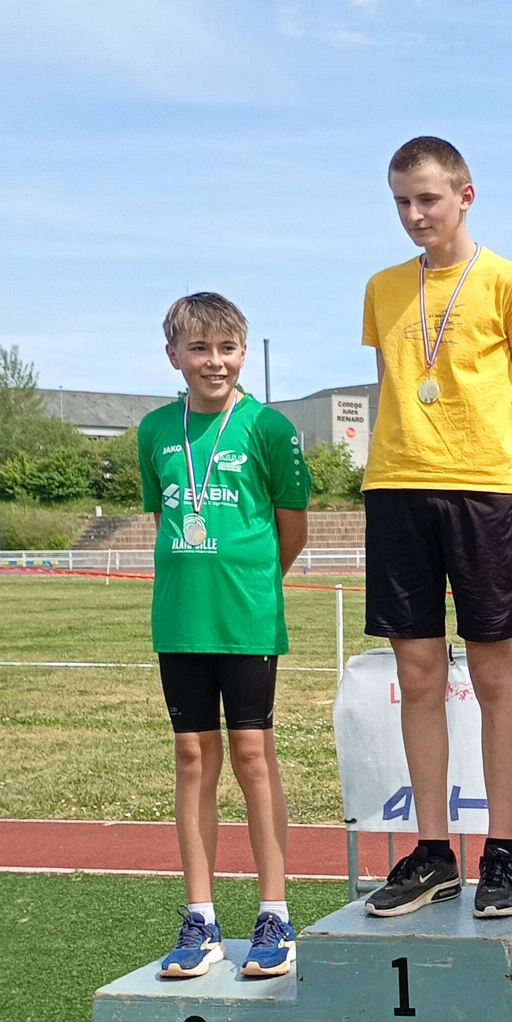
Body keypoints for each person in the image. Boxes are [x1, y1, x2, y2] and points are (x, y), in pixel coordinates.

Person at [359, 135, 512, 920]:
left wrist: (471, 449)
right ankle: (434, 851)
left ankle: (500, 850)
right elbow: (389, 392)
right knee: (417, 675)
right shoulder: (381, 288)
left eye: (428, 198)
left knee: (494, 672)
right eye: (402, 201)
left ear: (465, 196)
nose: (414, 214)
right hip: (395, 490)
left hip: (480, 494)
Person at [139, 293, 311, 979]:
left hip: (246, 618)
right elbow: (164, 520)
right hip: (180, 619)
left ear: (242, 353)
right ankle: (200, 918)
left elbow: (291, 528)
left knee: (252, 753)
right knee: (191, 756)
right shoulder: (155, 429)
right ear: (174, 355)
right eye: (200, 349)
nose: (215, 362)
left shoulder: (269, 427)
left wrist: (254, 585)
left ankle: (274, 913)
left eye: (227, 348)